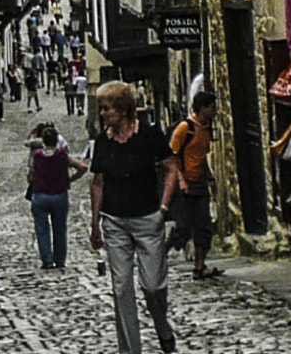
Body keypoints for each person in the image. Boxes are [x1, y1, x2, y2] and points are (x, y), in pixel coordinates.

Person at [89, 80, 180, 354]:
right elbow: (98, 182)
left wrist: (163, 209)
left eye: (106, 109)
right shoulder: (103, 142)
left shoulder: (150, 136)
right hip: (115, 221)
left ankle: (162, 327)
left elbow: (172, 169)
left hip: (147, 219)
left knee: (152, 286)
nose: (102, 114)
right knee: (121, 289)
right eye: (101, 109)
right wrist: (95, 224)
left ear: (123, 109)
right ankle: (130, 350)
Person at [166, 92, 220, 279]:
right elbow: (172, 157)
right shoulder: (185, 128)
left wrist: (211, 179)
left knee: (203, 226)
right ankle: (162, 252)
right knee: (183, 227)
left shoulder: (206, 129)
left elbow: (203, 157)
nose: (215, 111)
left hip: (200, 184)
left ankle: (199, 266)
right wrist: (180, 180)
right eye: (212, 107)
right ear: (203, 108)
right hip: (186, 185)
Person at [27, 121, 88, 269]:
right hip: (59, 195)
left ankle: (47, 259)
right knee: (60, 228)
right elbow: (82, 167)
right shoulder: (62, 156)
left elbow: (30, 177)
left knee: (42, 228)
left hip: (41, 195)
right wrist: (70, 179)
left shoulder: (37, 156)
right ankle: (60, 259)